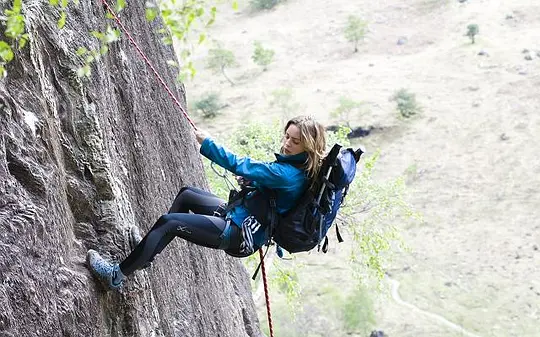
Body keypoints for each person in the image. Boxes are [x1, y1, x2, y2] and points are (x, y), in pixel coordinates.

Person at [86, 115, 327, 290]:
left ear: (308, 146)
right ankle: (146, 255)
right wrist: (254, 184)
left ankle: (115, 276)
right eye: (287, 136)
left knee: (168, 223)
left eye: (295, 141)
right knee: (187, 195)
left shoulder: (287, 173)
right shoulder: (300, 168)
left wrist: (208, 143)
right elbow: (274, 194)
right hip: (238, 216)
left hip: (238, 233)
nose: (287, 143)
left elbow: (241, 163)